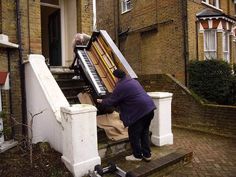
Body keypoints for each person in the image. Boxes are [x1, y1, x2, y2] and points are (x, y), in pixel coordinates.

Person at [97, 69, 156, 162]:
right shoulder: (133, 81)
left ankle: (137, 156)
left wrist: (102, 101)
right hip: (149, 109)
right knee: (144, 132)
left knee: (134, 134)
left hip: (139, 112)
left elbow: (112, 101)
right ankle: (147, 154)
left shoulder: (121, 86)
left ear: (116, 77)